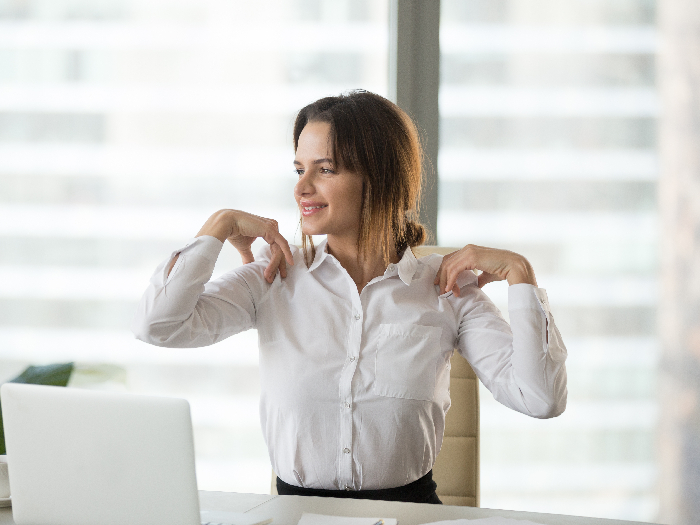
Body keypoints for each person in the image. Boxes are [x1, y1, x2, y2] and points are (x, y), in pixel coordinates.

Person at [132, 90, 567, 505]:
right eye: (299, 169)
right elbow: (158, 326)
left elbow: (540, 397)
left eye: (324, 169)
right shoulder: (274, 275)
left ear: (378, 178)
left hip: (408, 517)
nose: (303, 187)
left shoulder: (446, 289)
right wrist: (219, 224)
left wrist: (520, 275)